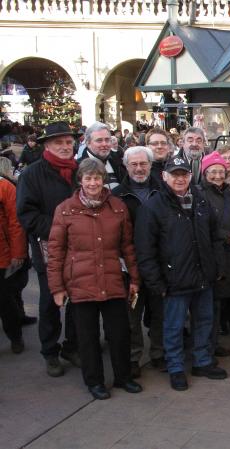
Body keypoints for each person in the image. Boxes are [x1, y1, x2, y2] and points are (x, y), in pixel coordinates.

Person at [47, 159, 142, 400]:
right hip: (81, 282)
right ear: (80, 180)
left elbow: (127, 247)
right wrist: (57, 287)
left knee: (119, 333)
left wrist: (134, 278)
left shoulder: (118, 207)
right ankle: (95, 382)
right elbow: (56, 252)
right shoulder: (66, 209)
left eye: (97, 178)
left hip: (111, 280)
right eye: (88, 178)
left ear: (103, 180)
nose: (93, 183)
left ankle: (123, 377)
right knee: (87, 338)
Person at [135, 156, 226, 391]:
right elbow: (145, 249)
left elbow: (215, 236)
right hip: (173, 280)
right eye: (174, 174)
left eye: (183, 174)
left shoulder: (201, 201)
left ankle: (202, 361)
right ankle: (175, 368)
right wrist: (156, 282)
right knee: (173, 327)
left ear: (190, 176)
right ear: (165, 176)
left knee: (204, 321)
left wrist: (216, 267)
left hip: (203, 276)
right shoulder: (153, 206)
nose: (180, 179)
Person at [16, 121, 81, 376]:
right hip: (49, 248)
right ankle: (50, 351)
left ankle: (73, 346)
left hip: (80, 248)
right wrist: (61, 228)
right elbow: (26, 214)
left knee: (78, 300)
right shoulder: (32, 174)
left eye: (68, 142)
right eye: (59, 143)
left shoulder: (80, 170)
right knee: (50, 301)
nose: (65, 147)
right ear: (47, 145)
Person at [111, 146, 163, 376]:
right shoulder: (116, 196)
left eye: (144, 164)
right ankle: (133, 357)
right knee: (132, 316)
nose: (139, 168)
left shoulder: (163, 190)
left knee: (160, 312)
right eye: (134, 164)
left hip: (160, 264)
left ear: (151, 165)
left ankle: (159, 353)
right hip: (130, 266)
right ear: (126, 166)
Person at [197, 152, 230, 359]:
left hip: (227, 254)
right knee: (207, 307)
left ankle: (213, 344)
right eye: (212, 171)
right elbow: (202, 226)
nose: (217, 175)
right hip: (210, 254)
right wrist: (226, 235)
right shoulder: (199, 194)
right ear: (205, 173)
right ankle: (205, 348)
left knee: (218, 303)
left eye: (220, 171)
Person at [0, 166, 25, 354]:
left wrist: (18, 253)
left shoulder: (4, 186)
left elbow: (16, 222)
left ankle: (15, 336)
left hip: (3, 256)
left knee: (6, 301)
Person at [77, 122, 125, 190]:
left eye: (107, 140)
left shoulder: (118, 163)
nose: (104, 144)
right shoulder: (77, 168)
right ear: (88, 143)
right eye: (99, 140)